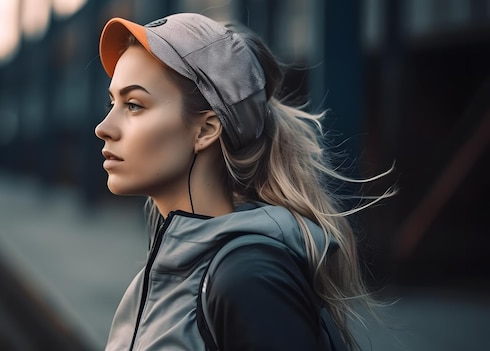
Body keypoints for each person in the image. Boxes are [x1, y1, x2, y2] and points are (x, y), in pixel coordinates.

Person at [95, 13, 393, 350]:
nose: (104, 127)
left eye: (134, 105)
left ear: (206, 130)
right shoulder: (163, 272)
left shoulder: (248, 279)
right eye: (113, 102)